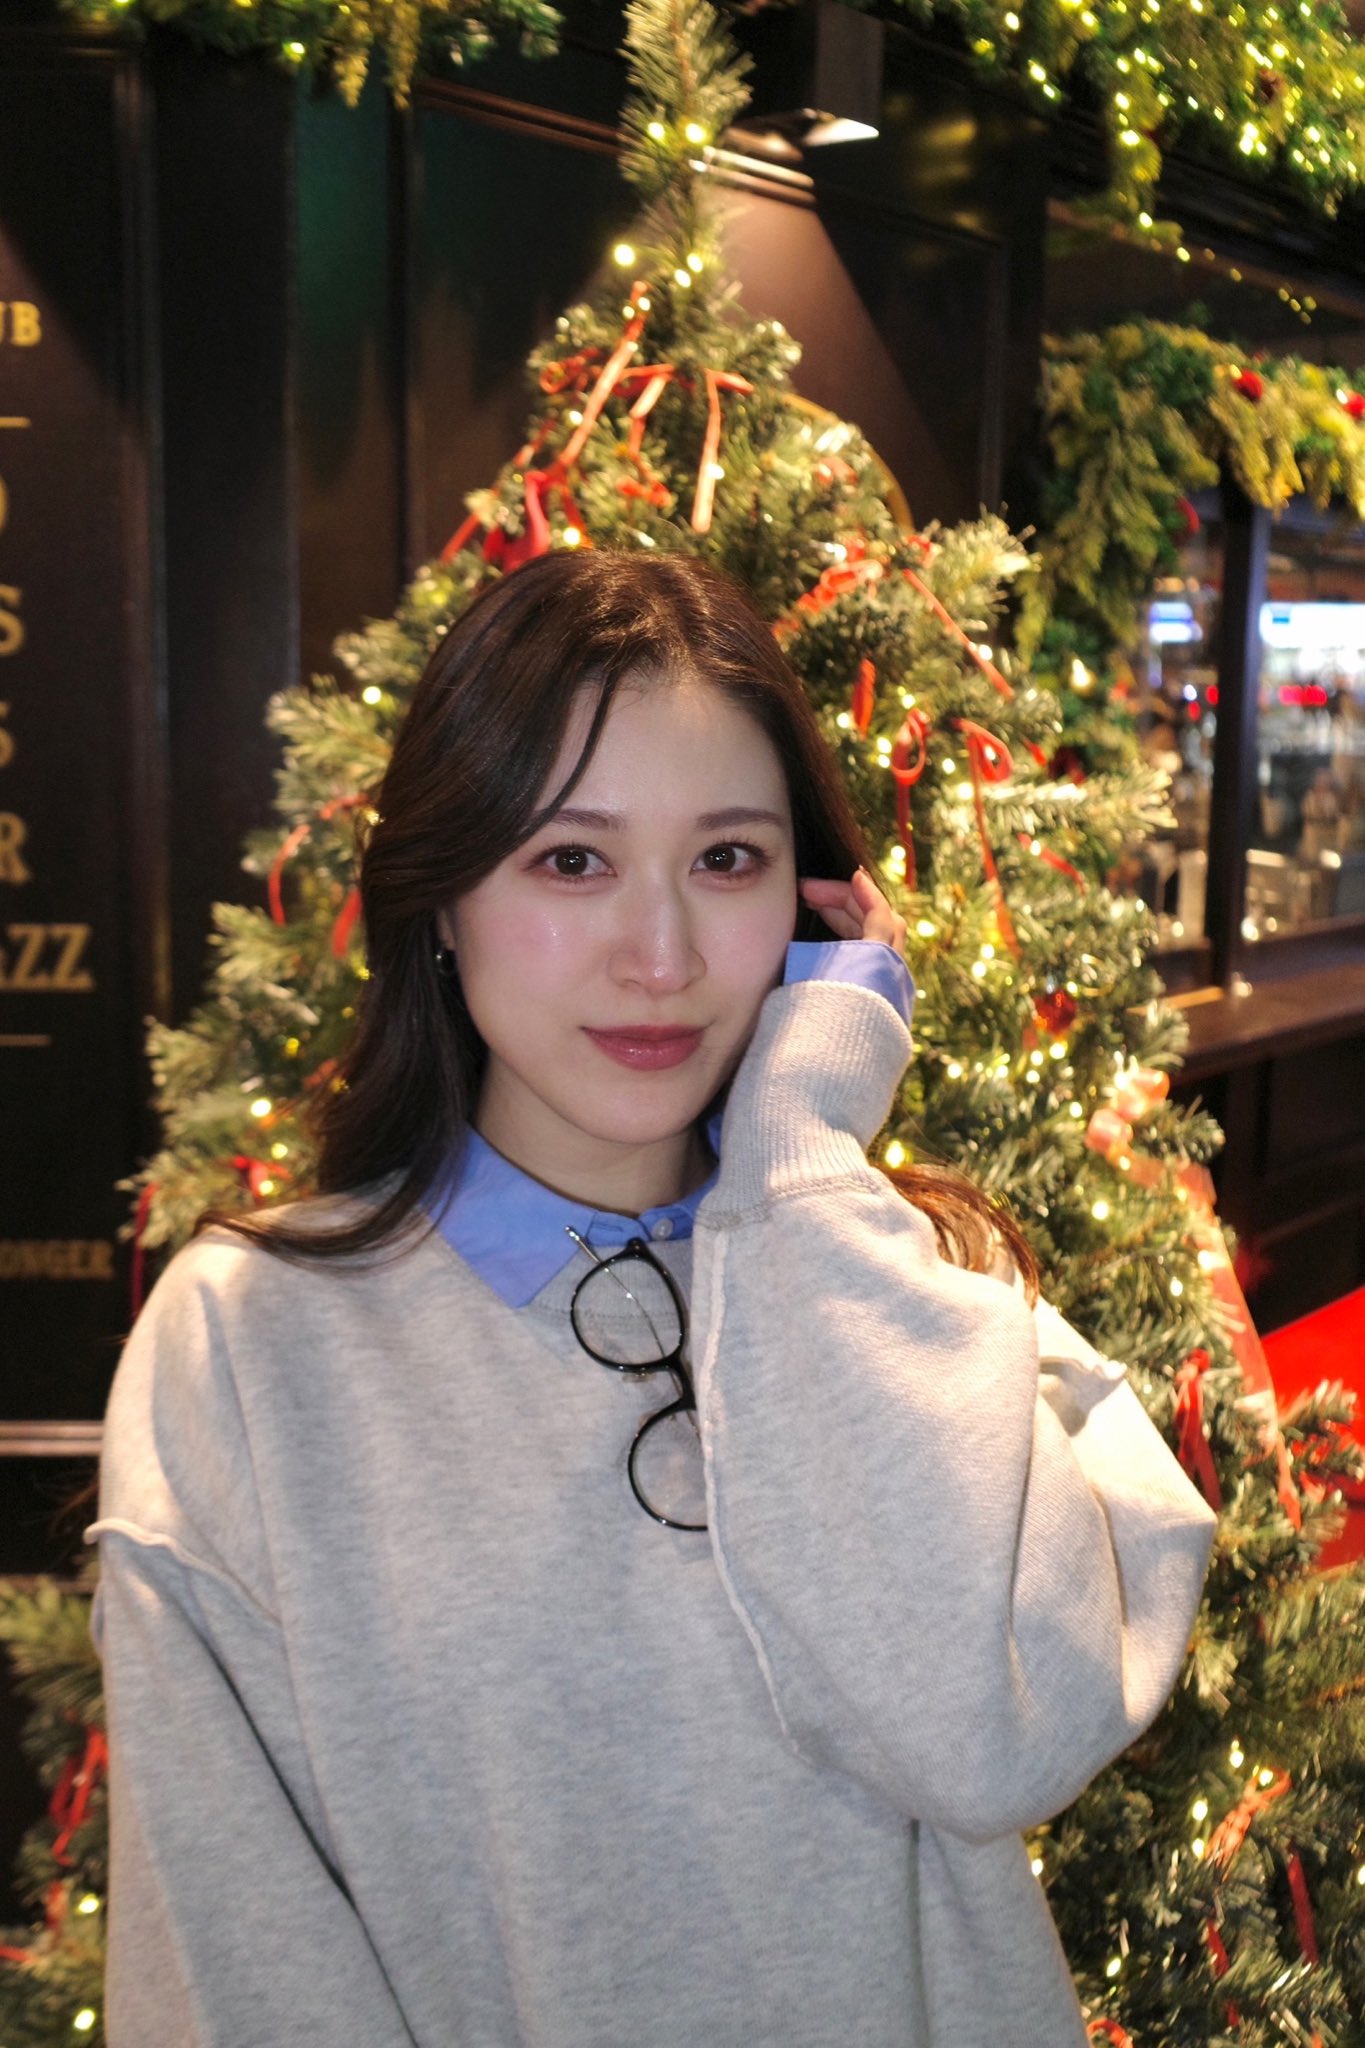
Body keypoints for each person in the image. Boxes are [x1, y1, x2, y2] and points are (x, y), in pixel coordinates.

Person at [87, 548, 1217, 2048]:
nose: (663, 956)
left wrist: (800, 1166)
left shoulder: (912, 1278)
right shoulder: (250, 1345)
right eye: (572, 861)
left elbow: (995, 1739)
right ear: (440, 900)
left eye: (728, 860)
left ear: (815, 911)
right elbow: (234, 1968)